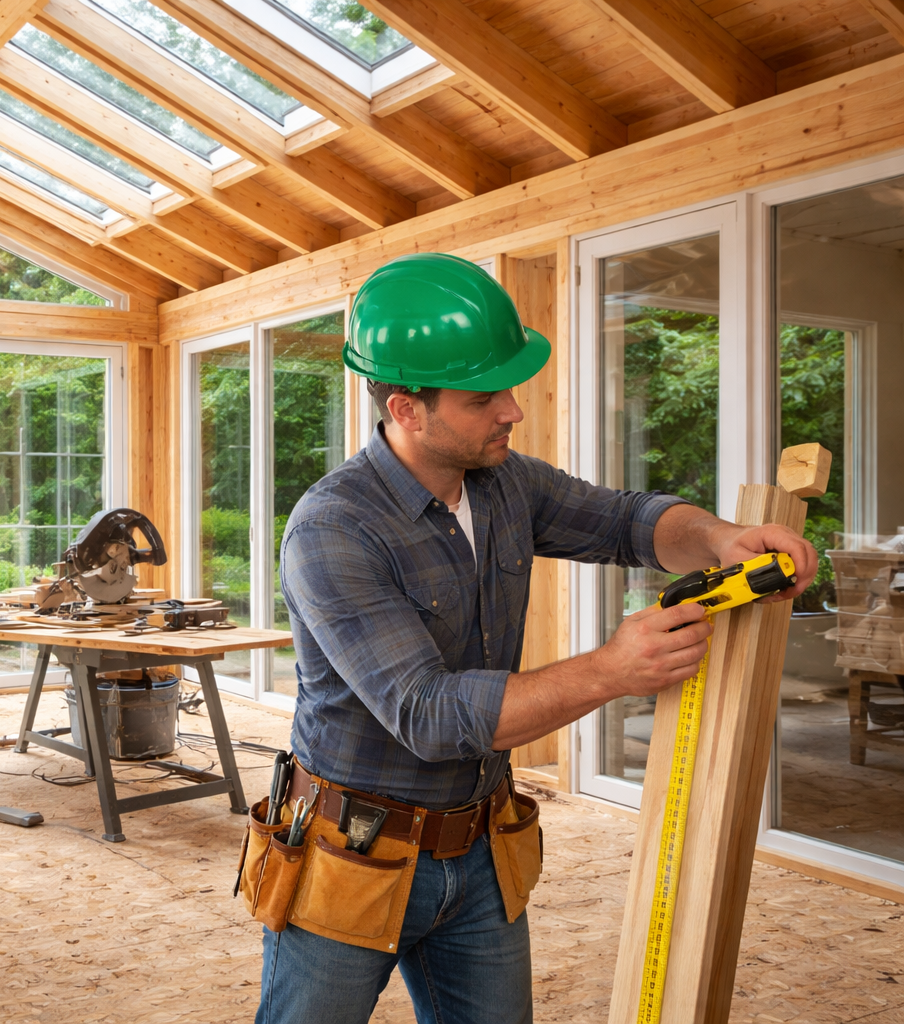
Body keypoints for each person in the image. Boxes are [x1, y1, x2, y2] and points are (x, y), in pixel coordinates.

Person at [250, 253, 817, 1024]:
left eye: (509, 388)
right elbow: (427, 714)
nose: (512, 410)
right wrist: (614, 669)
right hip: (353, 852)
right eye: (485, 396)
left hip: (480, 849)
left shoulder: (504, 483)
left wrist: (721, 537)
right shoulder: (334, 529)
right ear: (408, 410)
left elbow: (628, 520)